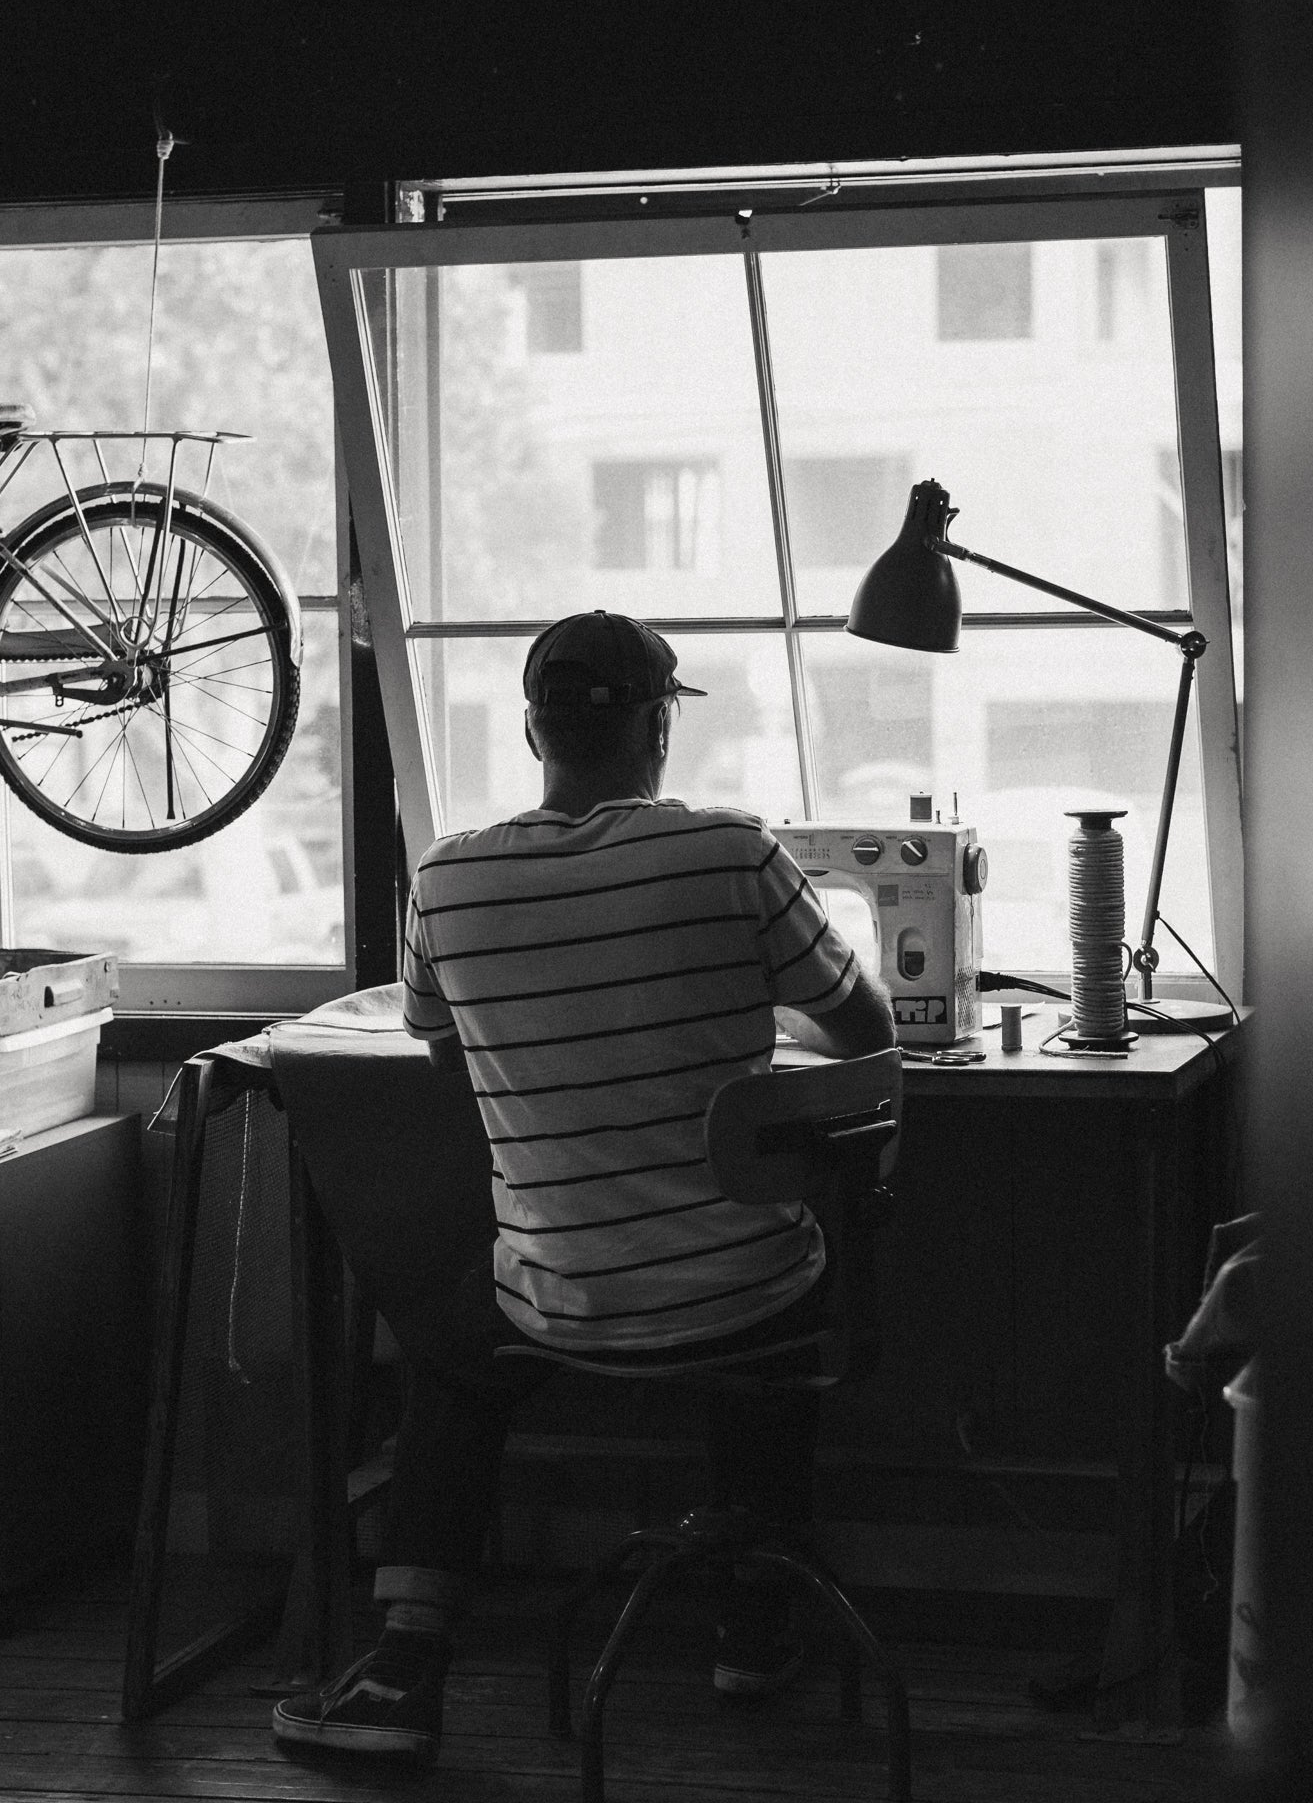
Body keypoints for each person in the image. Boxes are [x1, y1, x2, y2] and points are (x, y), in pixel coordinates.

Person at [273, 610, 895, 1764]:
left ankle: (405, 1666)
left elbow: (450, 1054)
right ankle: (750, 1624)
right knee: (761, 1275)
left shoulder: (444, 878)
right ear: (660, 725)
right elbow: (864, 1033)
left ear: (530, 728)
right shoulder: (731, 849)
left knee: (451, 1342)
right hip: (747, 1292)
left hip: (554, 1299)